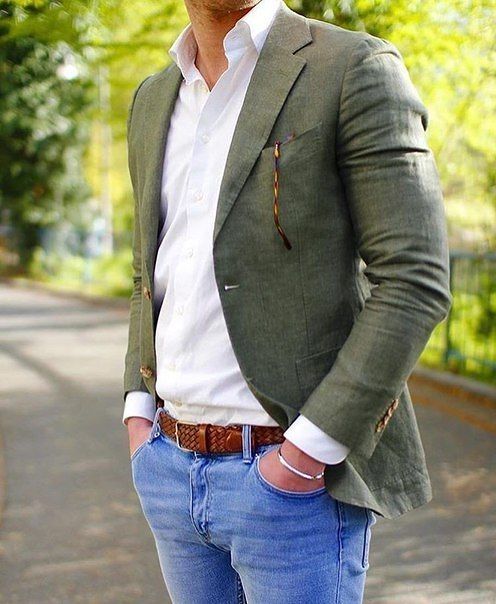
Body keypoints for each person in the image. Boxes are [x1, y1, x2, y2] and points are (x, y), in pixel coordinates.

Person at [122, 0, 452, 601]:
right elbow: (150, 268)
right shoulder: (152, 98)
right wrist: (137, 411)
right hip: (169, 469)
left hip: (289, 485)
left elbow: (413, 278)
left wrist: (305, 455)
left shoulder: (351, 66)